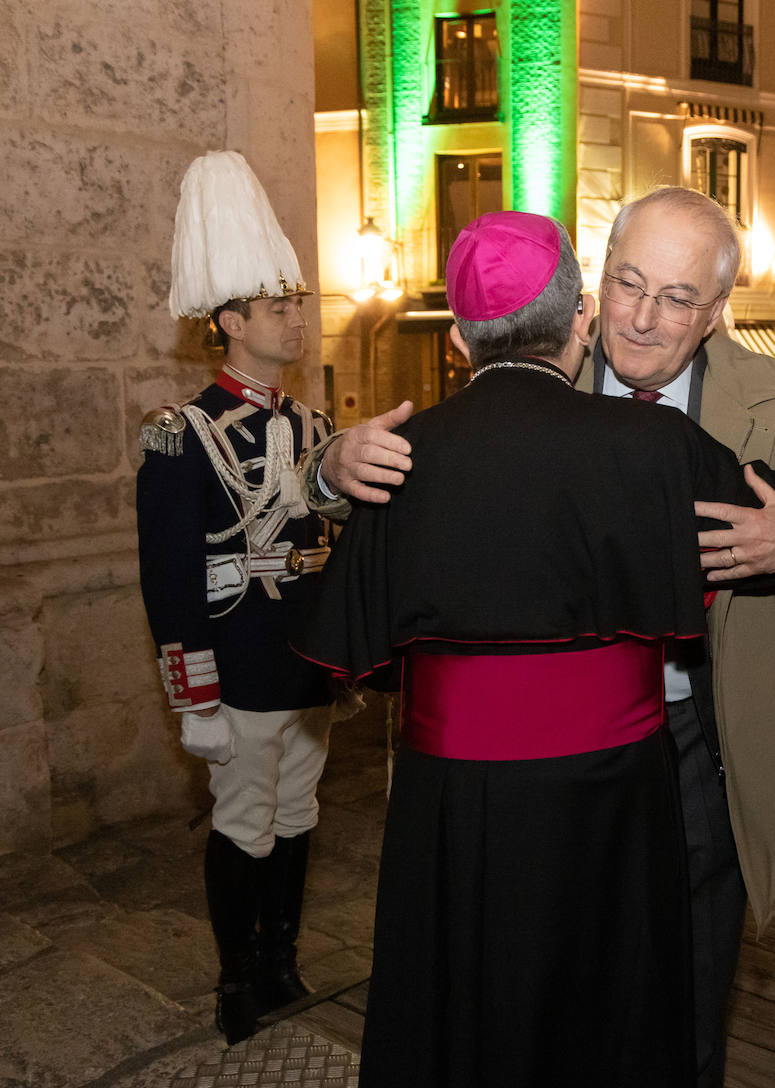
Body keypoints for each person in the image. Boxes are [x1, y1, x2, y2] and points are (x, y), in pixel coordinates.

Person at [306, 187, 775, 1085]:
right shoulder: (566, 391)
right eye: (629, 285)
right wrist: (327, 466)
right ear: (586, 299)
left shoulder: (773, 391)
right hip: (542, 774)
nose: (646, 317)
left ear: (715, 313)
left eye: (677, 299)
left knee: (675, 1010)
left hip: (707, 753)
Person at [135, 151, 337, 1045]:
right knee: (243, 822)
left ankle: (281, 959)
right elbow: (168, 581)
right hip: (239, 668)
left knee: (298, 816)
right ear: (229, 319)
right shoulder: (182, 437)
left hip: (303, 664)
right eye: (278, 304)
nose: (297, 318)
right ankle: (234, 981)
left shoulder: (314, 429)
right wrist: (196, 697)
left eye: (298, 302)